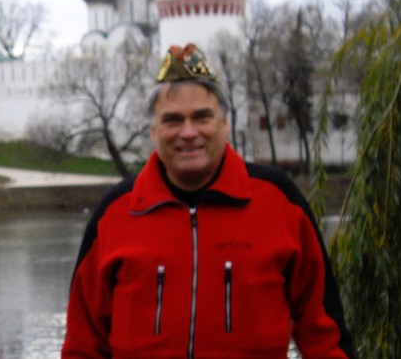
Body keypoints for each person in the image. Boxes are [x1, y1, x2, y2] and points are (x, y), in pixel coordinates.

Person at [62, 43, 354, 358]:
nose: (188, 132)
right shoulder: (116, 213)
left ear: (225, 125)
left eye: (202, 117)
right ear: (153, 131)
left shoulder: (278, 201)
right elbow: (83, 342)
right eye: (173, 120)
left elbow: (323, 332)